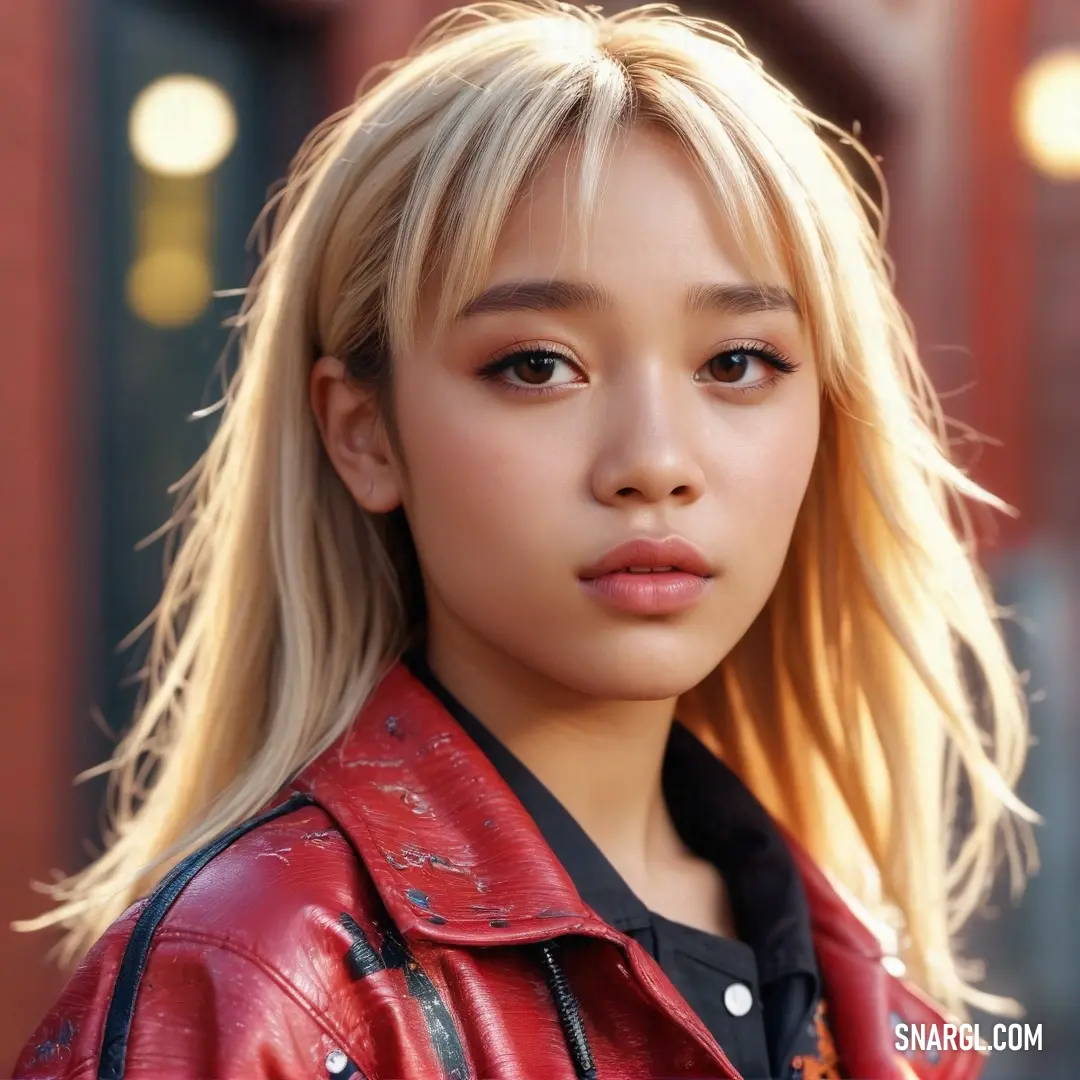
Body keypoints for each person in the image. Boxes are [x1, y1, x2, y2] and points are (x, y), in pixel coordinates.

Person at [13, 2, 1036, 1078]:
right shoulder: (257, 984)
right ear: (365, 435)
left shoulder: (878, 1008)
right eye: (538, 364)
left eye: (737, 363)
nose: (653, 459)